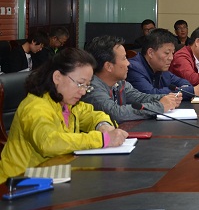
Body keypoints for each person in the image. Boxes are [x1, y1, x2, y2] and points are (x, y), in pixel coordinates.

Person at [0, 48, 128, 181]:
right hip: (17, 182)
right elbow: (49, 143)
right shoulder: (35, 107)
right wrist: (102, 139)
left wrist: (103, 125)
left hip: (51, 174)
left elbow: (92, 114)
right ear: (57, 77)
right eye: (80, 84)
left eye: (87, 86)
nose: (83, 92)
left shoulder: (67, 103)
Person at [83, 35, 182, 122]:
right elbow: (116, 113)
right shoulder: (91, 88)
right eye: (124, 58)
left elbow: (140, 98)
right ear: (109, 66)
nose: (128, 63)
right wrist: (160, 106)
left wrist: (167, 98)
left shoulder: (119, 83)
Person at [127, 28, 199, 98]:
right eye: (167, 53)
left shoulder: (162, 68)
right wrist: (192, 91)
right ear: (150, 53)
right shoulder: (134, 68)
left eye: (172, 53)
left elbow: (184, 83)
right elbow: (151, 94)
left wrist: (184, 90)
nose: (171, 58)